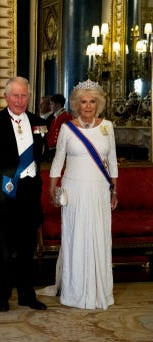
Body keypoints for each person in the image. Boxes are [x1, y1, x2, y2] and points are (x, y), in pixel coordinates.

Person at [39, 79, 118, 310]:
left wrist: (115, 189)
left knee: (98, 237)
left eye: (93, 101)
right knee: (76, 238)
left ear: (99, 103)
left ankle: (98, 290)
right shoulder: (67, 128)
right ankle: (75, 292)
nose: (88, 106)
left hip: (99, 191)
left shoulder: (108, 127)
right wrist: (52, 187)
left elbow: (112, 161)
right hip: (74, 191)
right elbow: (58, 160)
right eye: (84, 102)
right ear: (76, 104)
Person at [0, 76, 47, 313]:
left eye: (24, 95)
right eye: (15, 95)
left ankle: (27, 295)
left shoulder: (39, 123)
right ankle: (2, 296)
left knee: (27, 247)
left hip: (29, 193)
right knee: (4, 249)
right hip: (5, 192)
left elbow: (41, 156)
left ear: (29, 96)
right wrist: (6, 182)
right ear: (6, 97)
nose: (19, 100)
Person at [45, 93, 72, 160]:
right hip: (53, 149)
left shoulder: (66, 117)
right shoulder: (56, 117)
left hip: (59, 150)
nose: (50, 107)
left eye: (52, 104)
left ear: (58, 105)